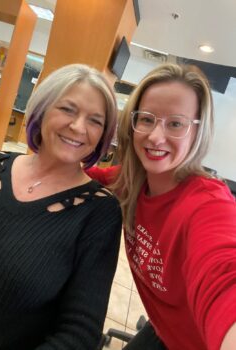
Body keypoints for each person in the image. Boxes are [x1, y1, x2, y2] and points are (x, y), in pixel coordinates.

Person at [87, 63, 236, 350]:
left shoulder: (208, 205)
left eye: (176, 123)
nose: (156, 136)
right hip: (162, 331)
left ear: (197, 132)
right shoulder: (131, 180)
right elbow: (75, 177)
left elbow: (224, 274)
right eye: (146, 119)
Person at [0, 64, 122, 350]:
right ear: (42, 109)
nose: (78, 127)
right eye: (67, 109)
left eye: (95, 120)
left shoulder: (98, 213)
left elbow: (79, 334)